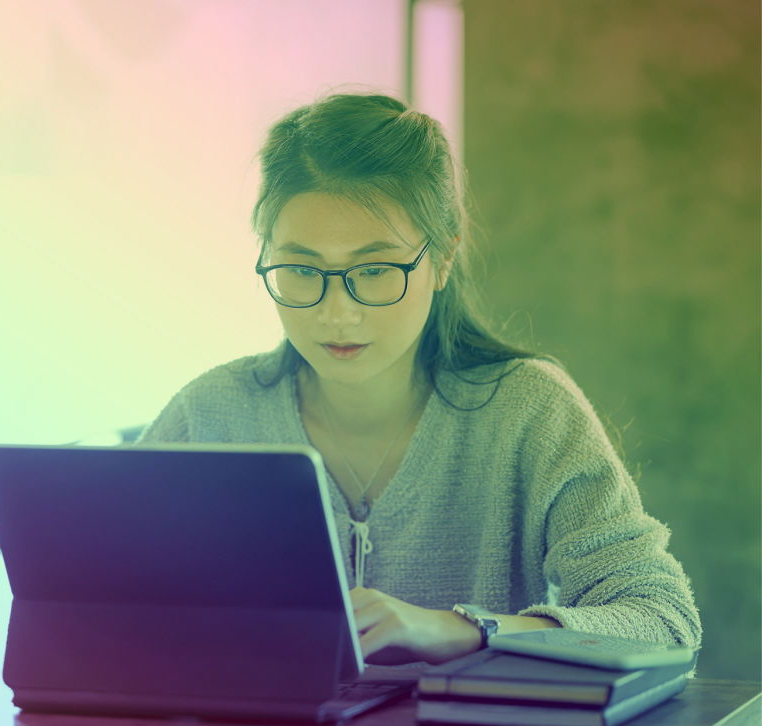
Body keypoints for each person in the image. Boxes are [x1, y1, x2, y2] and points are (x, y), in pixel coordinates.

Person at [137, 93, 702, 666]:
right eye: (303, 269)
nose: (338, 311)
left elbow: (663, 618)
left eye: (376, 269)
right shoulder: (208, 415)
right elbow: (100, 603)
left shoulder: (527, 411)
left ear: (445, 258)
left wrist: (465, 630)